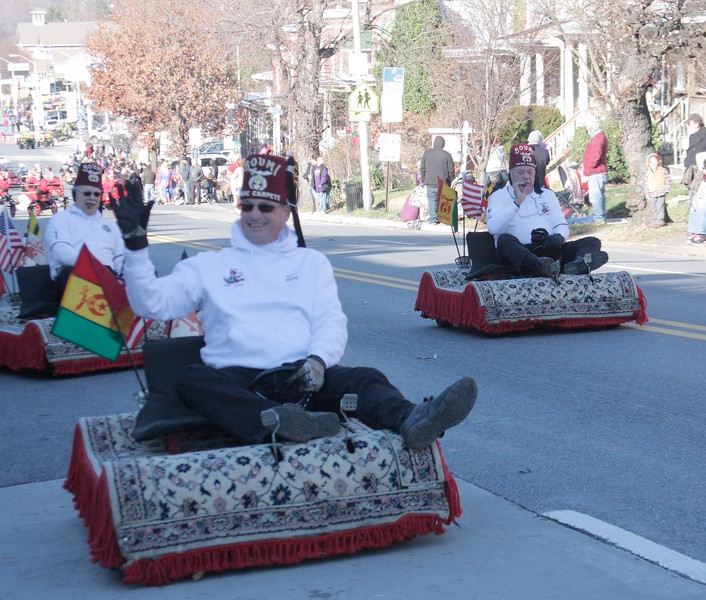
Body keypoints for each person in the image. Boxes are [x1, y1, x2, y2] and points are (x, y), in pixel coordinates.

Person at [114, 153, 478, 448]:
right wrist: (134, 247)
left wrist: (319, 362)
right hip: (237, 380)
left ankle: (414, 419)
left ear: (285, 214)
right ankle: (278, 423)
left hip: (301, 376)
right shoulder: (211, 266)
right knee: (192, 379)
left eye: (266, 207)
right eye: (248, 206)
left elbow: (330, 323)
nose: (255, 214)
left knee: (366, 378)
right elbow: (152, 304)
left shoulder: (311, 264)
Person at [485, 144, 608, 276]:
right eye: (520, 172)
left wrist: (558, 238)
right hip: (518, 256)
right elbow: (494, 229)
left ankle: (577, 265)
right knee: (504, 240)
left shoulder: (547, 195)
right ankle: (539, 265)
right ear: (511, 175)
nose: (526, 177)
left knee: (591, 242)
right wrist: (517, 202)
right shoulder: (499, 196)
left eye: (530, 172)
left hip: (547, 251)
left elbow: (560, 224)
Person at [43, 163, 124, 302]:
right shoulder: (60, 220)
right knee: (69, 273)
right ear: (75, 194)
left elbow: (120, 257)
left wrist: (126, 274)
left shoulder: (109, 226)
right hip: (74, 282)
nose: (92, 198)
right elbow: (60, 252)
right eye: (87, 193)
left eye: (96, 194)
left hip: (109, 282)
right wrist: (96, 269)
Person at [682, 113, 706, 199]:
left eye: (689, 124)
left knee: (699, 198)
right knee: (692, 196)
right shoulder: (692, 136)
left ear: (696, 124)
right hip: (691, 169)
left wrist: (702, 162)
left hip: (701, 172)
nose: (687, 126)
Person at [419, 136, 454, 225]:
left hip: (430, 181)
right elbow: (451, 170)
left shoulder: (427, 154)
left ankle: (433, 218)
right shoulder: (447, 155)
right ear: (443, 144)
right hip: (443, 182)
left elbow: (422, 168)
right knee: (442, 200)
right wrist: (451, 181)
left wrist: (423, 179)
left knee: (431, 199)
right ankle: (442, 217)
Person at [582, 116, 608, 222]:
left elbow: (595, 155)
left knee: (596, 197)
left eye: (588, 128)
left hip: (596, 172)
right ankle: (600, 217)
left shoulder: (597, 138)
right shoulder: (599, 137)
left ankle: (599, 218)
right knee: (599, 196)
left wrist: (588, 168)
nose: (587, 131)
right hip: (597, 171)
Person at [644, 152, 670, 228]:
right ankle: (654, 221)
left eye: (655, 161)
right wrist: (647, 193)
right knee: (654, 208)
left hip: (661, 191)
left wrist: (666, 189)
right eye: (651, 162)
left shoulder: (662, 170)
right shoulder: (647, 172)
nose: (653, 163)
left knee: (660, 207)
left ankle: (660, 221)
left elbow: (667, 179)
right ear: (648, 163)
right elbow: (646, 183)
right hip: (652, 192)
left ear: (658, 161)